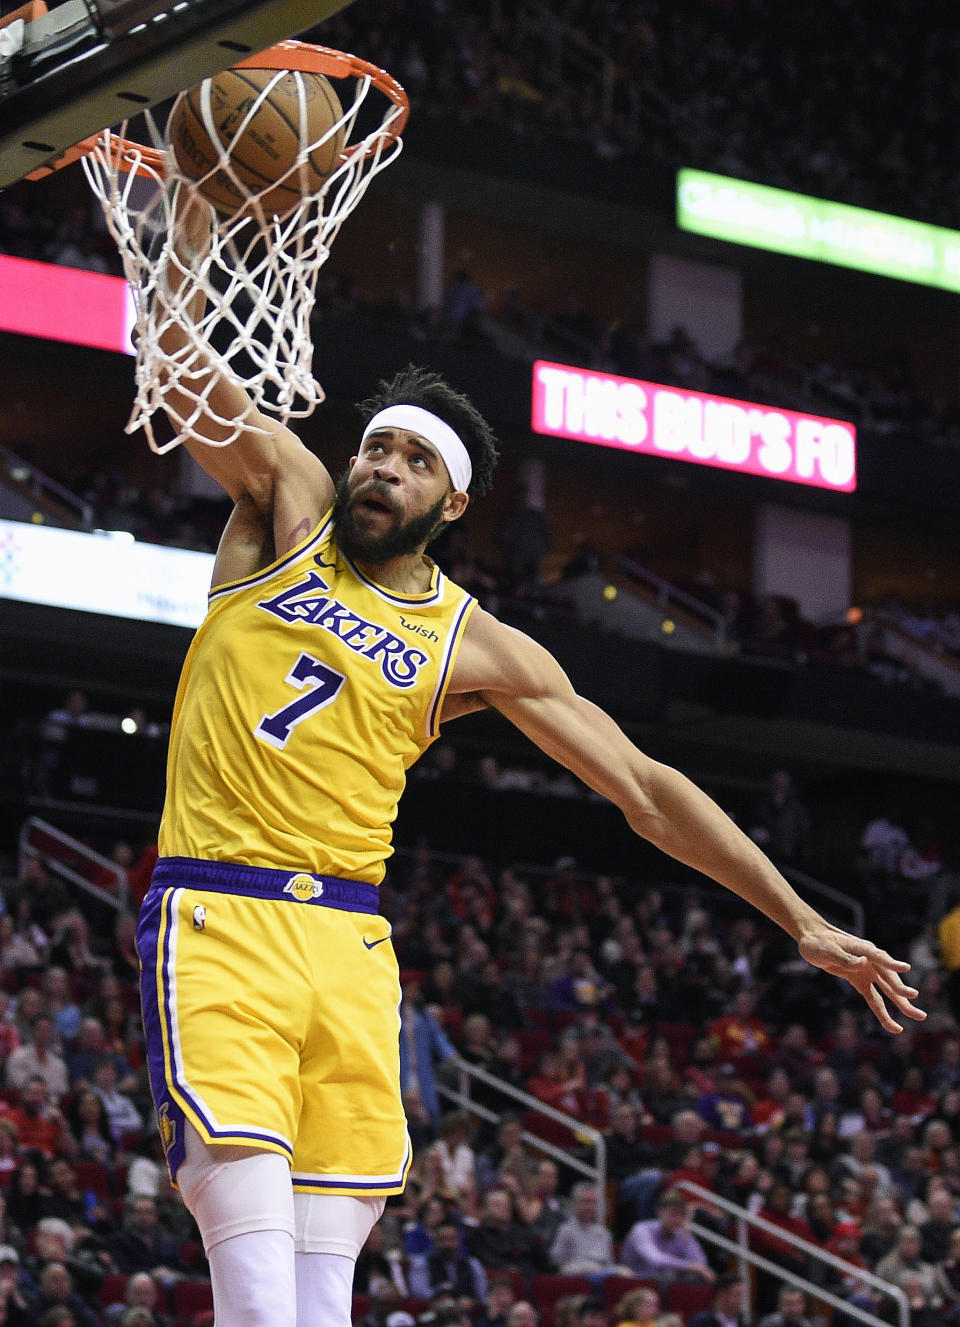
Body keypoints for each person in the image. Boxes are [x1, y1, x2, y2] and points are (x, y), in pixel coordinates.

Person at [135, 198, 925, 1327]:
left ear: (451, 501)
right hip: (223, 909)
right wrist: (197, 242)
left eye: (412, 460)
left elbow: (644, 788)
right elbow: (176, 368)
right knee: (256, 1276)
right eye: (376, 447)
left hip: (351, 945)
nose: (382, 468)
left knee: (323, 1289)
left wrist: (794, 916)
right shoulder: (288, 509)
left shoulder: (479, 643)